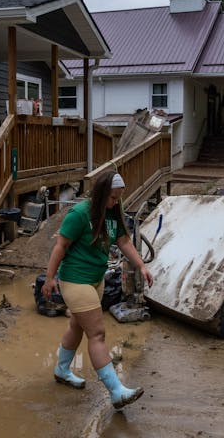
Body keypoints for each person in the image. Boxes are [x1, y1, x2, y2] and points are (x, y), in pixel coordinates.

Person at [42, 171, 154, 410]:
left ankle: (62, 371)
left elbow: (124, 242)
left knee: (77, 326)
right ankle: (116, 392)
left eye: (118, 198)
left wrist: (141, 266)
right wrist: (49, 278)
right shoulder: (80, 214)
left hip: (95, 279)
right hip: (75, 279)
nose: (116, 202)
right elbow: (60, 246)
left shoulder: (113, 213)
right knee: (97, 333)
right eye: (112, 198)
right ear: (101, 194)